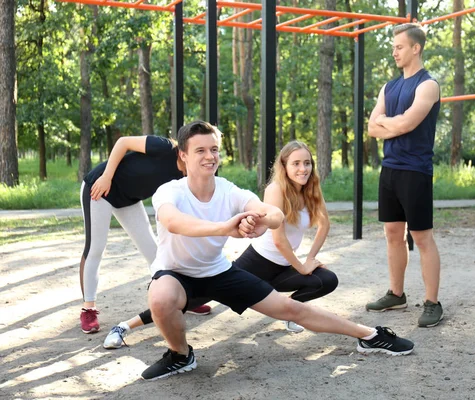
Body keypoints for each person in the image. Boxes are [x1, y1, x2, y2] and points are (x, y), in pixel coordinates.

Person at [139, 120, 414, 381]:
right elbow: (174, 222)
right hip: (175, 275)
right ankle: (180, 354)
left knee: (289, 308)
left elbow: (274, 215)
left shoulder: (229, 190)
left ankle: (370, 335)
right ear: (184, 155)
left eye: (213, 150)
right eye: (200, 150)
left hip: (218, 272)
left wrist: (259, 222)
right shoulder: (169, 191)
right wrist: (226, 227)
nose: (209, 156)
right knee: (161, 297)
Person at [103, 140, 338, 348]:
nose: (303, 169)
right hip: (259, 263)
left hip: (285, 267)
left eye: (307, 163)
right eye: (296, 163)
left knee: (326, 280)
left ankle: (292, 314)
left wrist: (310, 259)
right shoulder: (276, 189)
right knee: (191, 300)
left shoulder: (311, 190)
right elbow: (278, 239)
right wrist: (301, 266)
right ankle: (125, 326)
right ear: (284, 166)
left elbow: (325, 224)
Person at [79, 135, 211, 334]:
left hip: (129, 199)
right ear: (185, 153)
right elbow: (123, 142)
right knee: (96, 248)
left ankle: (182, 299)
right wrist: (106, 176)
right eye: (199, 152)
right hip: (99, 188)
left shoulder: (186, 179)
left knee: (154, 251)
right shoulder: (164, 147)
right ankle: (88, 308)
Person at [365, 23, 443, 328]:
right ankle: (396, 294)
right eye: (393, 47)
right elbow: (372, 128)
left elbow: (408, 124)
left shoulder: (428, 85)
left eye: (399, 47)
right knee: (392, 235)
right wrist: (389, 123)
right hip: (391, 169)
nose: (394, 52)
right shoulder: (389, 86)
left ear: (415, 48)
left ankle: (432, 303)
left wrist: (389, 122)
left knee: (422, 238)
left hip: (416, 171)